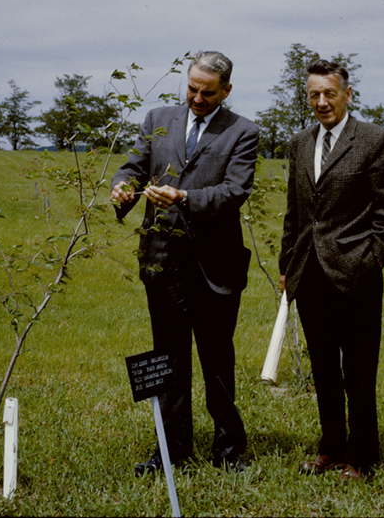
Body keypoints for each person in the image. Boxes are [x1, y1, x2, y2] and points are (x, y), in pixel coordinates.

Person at [111, 50, 258, 475]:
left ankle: (229, 451)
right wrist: (123, 188)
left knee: (217, 361)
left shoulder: (244, 132)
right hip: (163, 263)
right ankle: (171, 451)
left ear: (225, 91)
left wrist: (185, 197)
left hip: (216, 268)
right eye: (192, 88)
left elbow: (235, 191)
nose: (196, 98)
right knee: (169, 359)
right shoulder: (158, 117)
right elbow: (133, 167)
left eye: (207, 93)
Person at [279, 59, 384, 481]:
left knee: (359, 371)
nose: (321, 102)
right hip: (310, 276)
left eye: (329, 93)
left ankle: (363, 456)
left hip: (357, 278)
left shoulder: (375, 140)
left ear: (348, 94)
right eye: (313, 94)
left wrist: (367, 263)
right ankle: (331, 447)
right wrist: (287, 267)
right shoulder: (299, 143)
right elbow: (295, 214)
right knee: (324, 371)